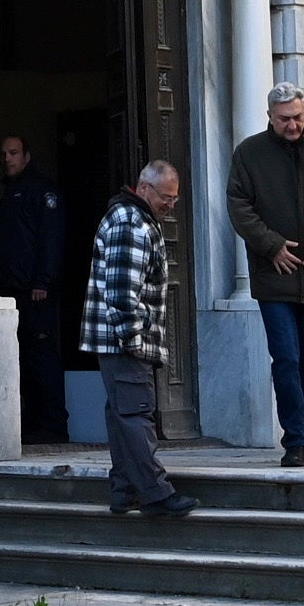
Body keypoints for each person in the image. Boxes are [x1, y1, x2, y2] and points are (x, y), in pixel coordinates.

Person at [227, 84, 304, 467]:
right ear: (270, 117)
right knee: (286, 357)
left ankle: (297, 425)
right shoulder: (249, 154)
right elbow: (238, 205)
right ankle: (296, 440)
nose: (294, 124)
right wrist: (271, 245)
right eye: (285, 119)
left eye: (298, 117)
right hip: (274, 275)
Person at [81, 161, 195, 517]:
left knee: (122, 415)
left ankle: (125, 489)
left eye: (175, 199)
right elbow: (120, 292)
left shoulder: (133, 219)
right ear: (145, 188)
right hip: (126, 342)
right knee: (135, 415)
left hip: (118, 342)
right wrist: (133, 339)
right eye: (166, 197)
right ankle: (155, 493)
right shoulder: (132, 223)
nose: (170, 205)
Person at [0, 132, 73, 444]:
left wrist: (43, 280)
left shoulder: (42, 193)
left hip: (35, 292)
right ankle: (31, 425)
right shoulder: (10, 193)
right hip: (12, 291)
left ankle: (53, 425)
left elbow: (51, 239)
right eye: (3, 154)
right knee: (23, 360)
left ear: (26, 156)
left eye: (13, 153)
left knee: (42, 358)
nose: (7, 159)